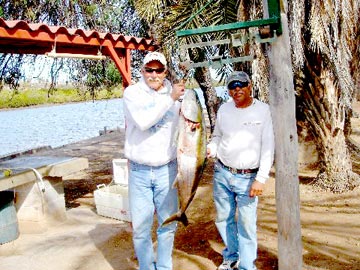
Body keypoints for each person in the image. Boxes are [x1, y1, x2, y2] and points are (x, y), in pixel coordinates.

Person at [123, 51, 185, 270]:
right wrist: (171, 99)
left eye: (159, 70)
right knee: (141, 228)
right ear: (142, 71)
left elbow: (189, 126)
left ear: (165, 71)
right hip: (139, 171)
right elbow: (143, 122)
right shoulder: (132, 93)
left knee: (168, 225)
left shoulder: (178, 94)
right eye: (149, 69)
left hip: (167, 170)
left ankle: (164, 267)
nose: (154, 74)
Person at [207, 71, 275, 270]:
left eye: (241, 84)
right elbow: (217, 136)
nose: (237, 89)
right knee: (223, 218)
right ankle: (231, 256)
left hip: (249, 177)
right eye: (232, 86)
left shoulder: (263, 110)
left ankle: (246, 265)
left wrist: (261, 178)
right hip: (222, 172)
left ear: (250, 85)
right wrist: (212, 148)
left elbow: (268, 147)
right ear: (228, 91)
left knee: (246, 223)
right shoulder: (224, 110)